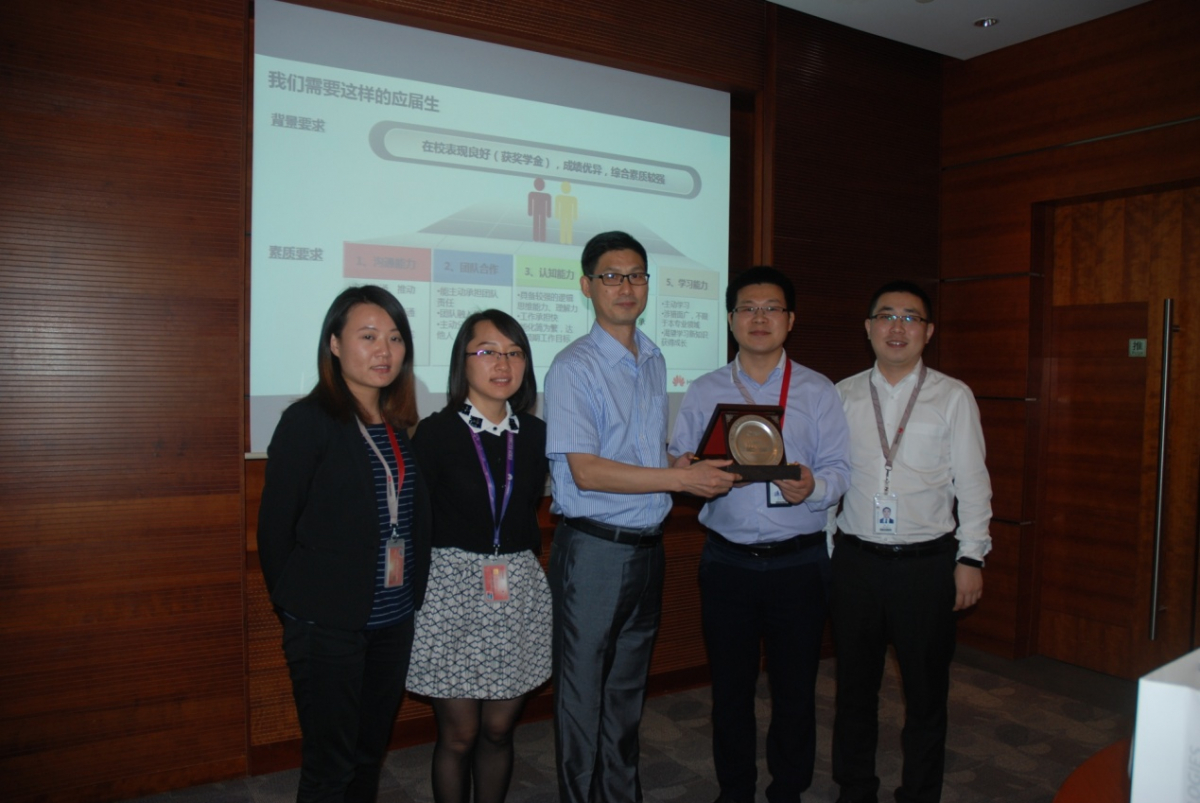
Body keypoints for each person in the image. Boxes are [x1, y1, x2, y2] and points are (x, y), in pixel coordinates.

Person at [543, 230, 738, 803]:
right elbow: (586, 471)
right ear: (587, 286)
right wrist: (680, 481)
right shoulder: (573, 367)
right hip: (594, 551)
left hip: (648, 546)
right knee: (582, 698)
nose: (625, 287)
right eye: (611, 276)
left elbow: (638, 454)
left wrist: (679, 464)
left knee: (626, 696)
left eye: (636, 275)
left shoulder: (652, 358)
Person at [670, 266, 851, 803]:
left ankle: (788, 791)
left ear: (790, 320)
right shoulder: (705, 389)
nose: (759, 318)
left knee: (795, 690)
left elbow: (841, 469)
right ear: (730, 320)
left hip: (799, 564)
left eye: (772, 308)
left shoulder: (818, 390)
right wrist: (688, 470)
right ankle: (735, 791)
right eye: (747, 308)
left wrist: (815, 486)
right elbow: (681, 458)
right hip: (727, 564)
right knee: (730, 691)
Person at [257, 285, 431, 803]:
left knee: (367, 757)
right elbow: (275, 531)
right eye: (368, 337)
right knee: (330, 769)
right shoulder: (306, 422)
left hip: (392, 622)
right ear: (334, 344)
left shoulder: (397, 426)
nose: (384, 351)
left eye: (395, 338)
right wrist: (300, 610)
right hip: (328, 625)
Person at [830, 280, 992, 803]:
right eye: (886, 316)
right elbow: (830, 479)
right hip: (856, 562)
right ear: (868, 328)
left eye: (910, 317)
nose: (897, 327)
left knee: (926, 693)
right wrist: (828, 551)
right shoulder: (842, 394)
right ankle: (855, 790)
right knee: (854, 690)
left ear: (928, 331)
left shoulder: (953, 395)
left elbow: (973, 483)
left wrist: (971, 556)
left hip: (927, 566)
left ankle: (920, 794)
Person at [407, 310, 552, 803]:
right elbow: (414, 521)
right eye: (488, 351)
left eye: (514, 352)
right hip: (450, 595)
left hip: (516, 592)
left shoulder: (536, 435)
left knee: (498, 730)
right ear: (463, 361)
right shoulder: (435, 433)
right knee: (460, 734)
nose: (502, 363)